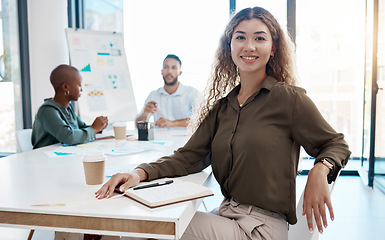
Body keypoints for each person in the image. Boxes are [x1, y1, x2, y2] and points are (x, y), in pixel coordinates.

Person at [96, 7, 351, 240]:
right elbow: (188, 157)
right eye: (240, 37)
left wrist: (321, 168)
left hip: (261, 229)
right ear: (229, 46)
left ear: (273, 48)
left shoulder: (288, 99)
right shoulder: (223, 107)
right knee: (135, 220)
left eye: (259, 38)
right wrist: (137, 173)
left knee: (145, 226)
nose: (249, 46)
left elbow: (335, 143)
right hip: (227, 214)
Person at [32, 64, 108, 149]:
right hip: (45, 158)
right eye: (79, 85)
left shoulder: (68, 108)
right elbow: (69, 137)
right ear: (65, 87)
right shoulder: (47, 110)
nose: (81, 89)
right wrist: (93, 129)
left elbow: (81, 128)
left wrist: (99, 127)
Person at [135, 54, 201, 128]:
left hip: (184, 139)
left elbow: (201, 120)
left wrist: (173, 123)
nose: (169, 71)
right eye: (166, 67)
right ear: (161, 71)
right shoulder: (153, 95)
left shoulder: (192, 93)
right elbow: (138, 126)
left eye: (174, 68)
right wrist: (145, 113)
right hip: (159, 139)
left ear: (180, 72)